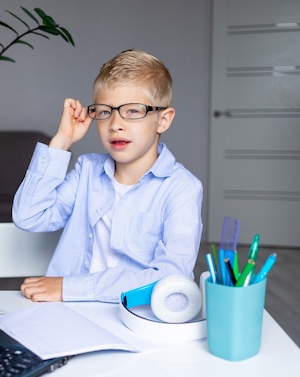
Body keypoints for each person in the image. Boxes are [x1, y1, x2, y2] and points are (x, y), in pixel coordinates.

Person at [12, 49, 203, 303]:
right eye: (104, 111)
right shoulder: (87, 171)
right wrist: (62, 141)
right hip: (65, 315)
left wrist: (71, 288)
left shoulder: (182, 188)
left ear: (163, 120)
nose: (115, 124)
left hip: (134, 317)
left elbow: (170, 277)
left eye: (133, 111)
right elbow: (28, 217)